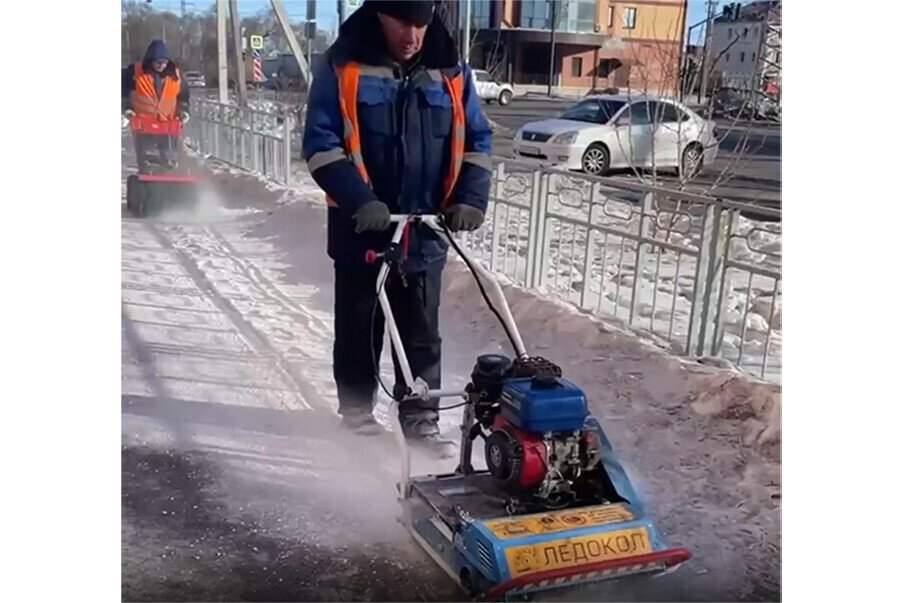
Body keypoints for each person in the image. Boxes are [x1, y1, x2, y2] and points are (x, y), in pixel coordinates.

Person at [302, 0, 493, 448]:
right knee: (360, 326)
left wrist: (469, 198)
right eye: (403, 23)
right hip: (361, 228)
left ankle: (421, 419)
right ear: (381, 15)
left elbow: (478, 141)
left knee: (422, 332)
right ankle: (356, 413)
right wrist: (359, 199)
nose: (412, 36)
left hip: (424, 228)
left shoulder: (452, 72)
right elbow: (320, 144)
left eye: (421, 25)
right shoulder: (343, 66)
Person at [121, 40, 191, 171]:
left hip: (168, 125)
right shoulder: (134, 73)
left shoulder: (176, 76)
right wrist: (127, 108)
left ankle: (169, 179)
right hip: (143, 125)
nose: (161, 66)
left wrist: (184, 110)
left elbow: (183, 96)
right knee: (147, 158)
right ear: (150, 60)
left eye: (164, 62)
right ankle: (147, 180)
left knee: (170, 158)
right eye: (158, 62)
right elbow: (123, 92)